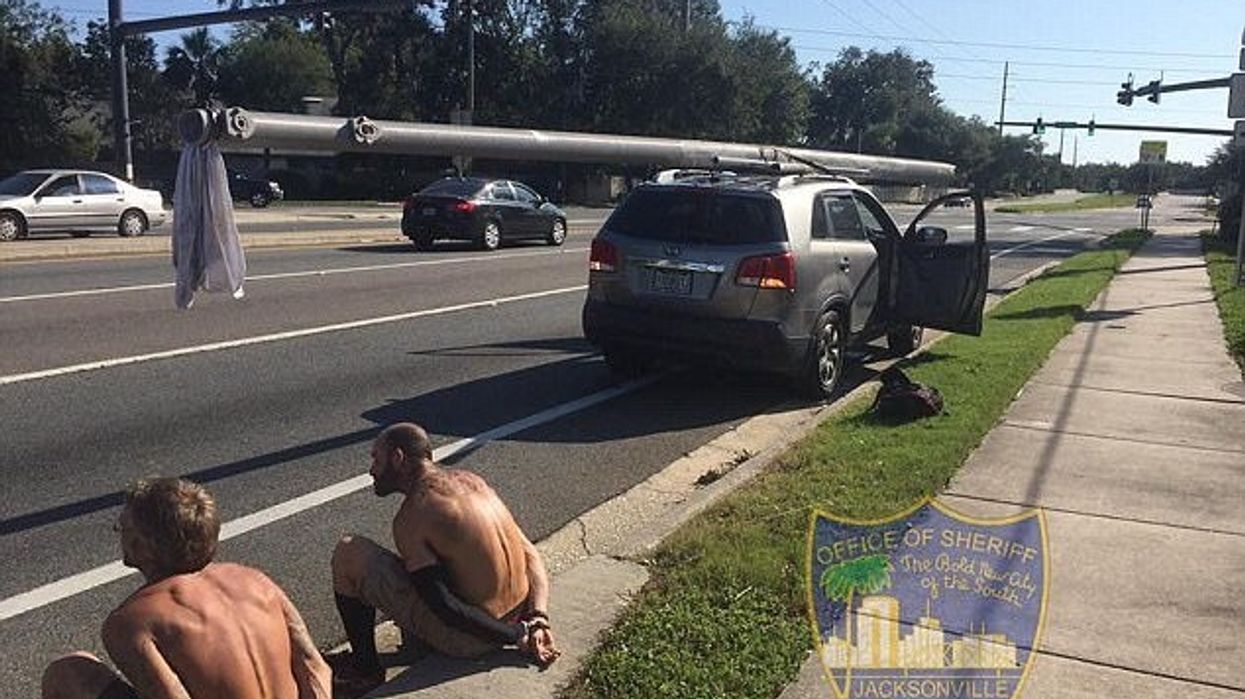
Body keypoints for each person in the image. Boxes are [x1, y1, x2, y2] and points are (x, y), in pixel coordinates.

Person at [42, 478, 330, 699]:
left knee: (70, 671)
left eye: (122, 528)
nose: (119, 535)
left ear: (142, 546)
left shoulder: (131, 623)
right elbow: (315, 667)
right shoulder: (258, 582)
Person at [329, 422, 560, 695]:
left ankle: (365, 670)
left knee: (349, 552)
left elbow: (443, 605)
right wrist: (537, 618)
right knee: (420, 566)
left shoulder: (414, 513)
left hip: (473, 639)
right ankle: (414, 646)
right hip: (519, 613)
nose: (371, 470)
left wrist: (516, 636)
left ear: (398, 458)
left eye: (376, 459)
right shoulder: (474, 483)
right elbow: (530, 555)